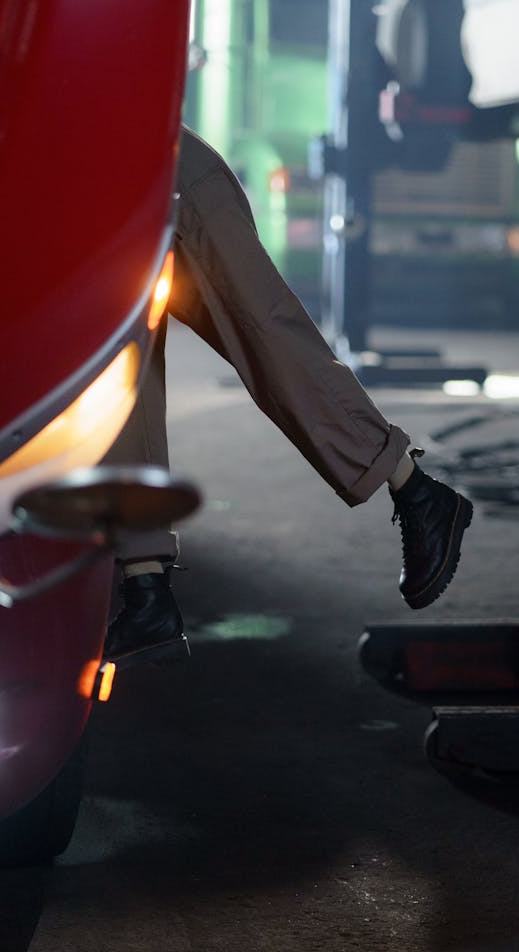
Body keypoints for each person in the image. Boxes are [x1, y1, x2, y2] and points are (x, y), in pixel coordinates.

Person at [103, 125, 472, 669]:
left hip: (166, 179)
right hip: (100, 207)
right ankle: (147, 593)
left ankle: (418, 494)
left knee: (266, 340)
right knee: (116, 381)